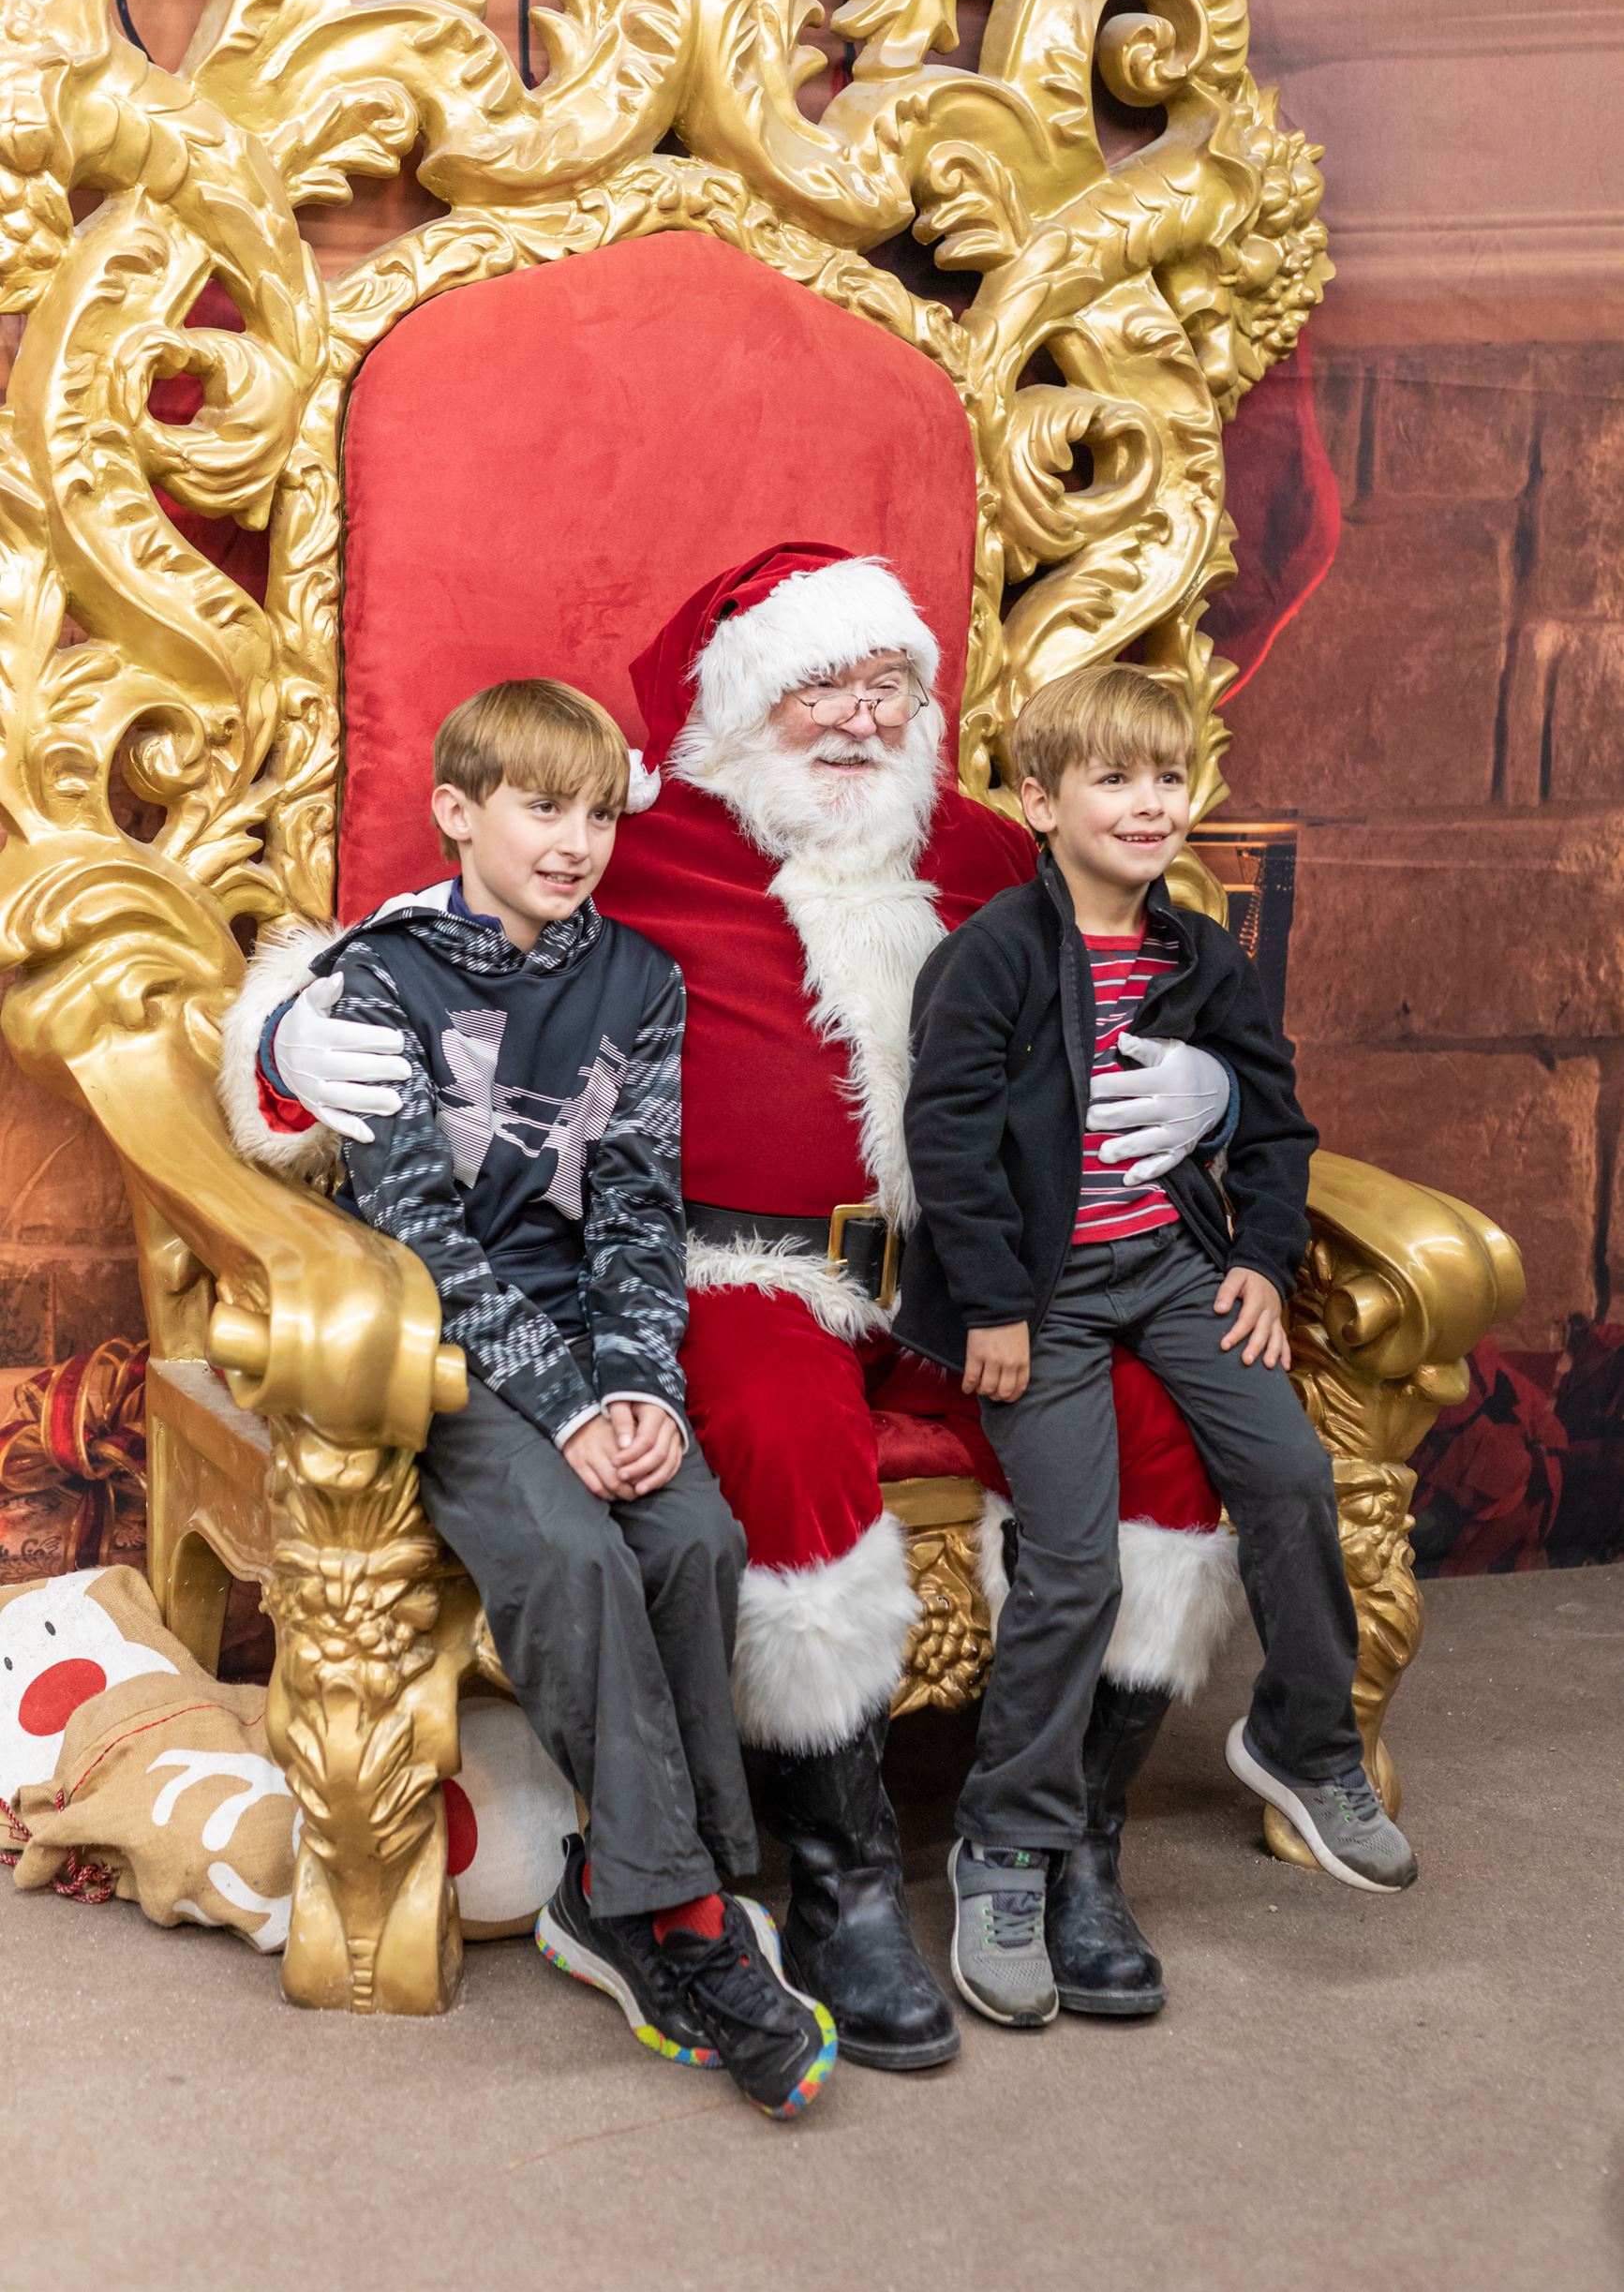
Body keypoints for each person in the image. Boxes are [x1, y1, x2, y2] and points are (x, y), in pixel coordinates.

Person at [220, 545, 1244, 2063]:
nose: (855, 718)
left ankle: (1055, 1847)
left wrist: (1207, 1082)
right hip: (735, 1269)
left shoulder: (984, 851)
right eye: (814, 684)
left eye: (886, 685)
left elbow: (1153, 975)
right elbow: (429, 935)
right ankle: (834, 1879)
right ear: (734, 705)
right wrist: (289, 1043)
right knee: (770, 1433)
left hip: (975, 1272)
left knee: (1164, 1436)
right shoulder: (632, 839)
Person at [258, 676, 837, 2120]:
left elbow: (638, 1211)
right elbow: (419, 1236)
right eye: (538, 806)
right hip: (447, 1348)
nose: (573, 839)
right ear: (458, 812)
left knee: (693, 1538)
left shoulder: (639, 981)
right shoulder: (378, 978)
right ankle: (691, 1923)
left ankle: (621, 1894)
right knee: (576, 1555)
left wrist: (636, 1382)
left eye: (594, 811)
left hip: (600, 1334)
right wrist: (564, 1411)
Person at [896, 662, 1418, 2032]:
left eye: (1167, 778)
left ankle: (1299, 1742)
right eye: (1111, 777)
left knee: (1293, 1476)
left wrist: (1253, 1257)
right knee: (1071, 1565)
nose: (1147, 803)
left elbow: (1277, 1123)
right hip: (1045, 1296)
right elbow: (944, 1142)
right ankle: (1007, 1844)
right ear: (1038, 799)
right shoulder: (995, 954)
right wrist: (995, 1305)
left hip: (1174, 1269)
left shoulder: (1201, 954)